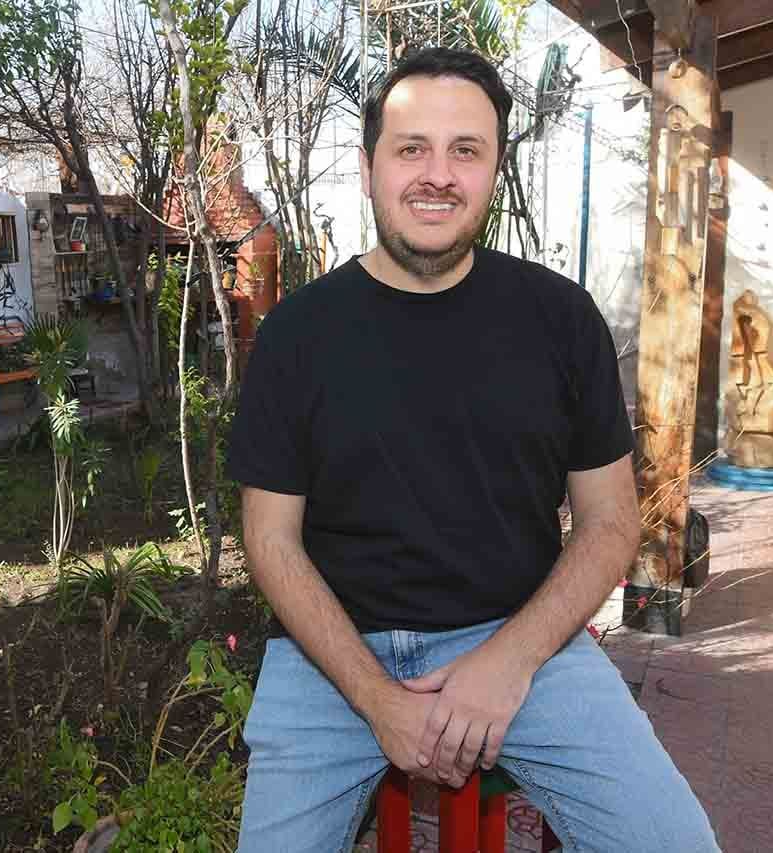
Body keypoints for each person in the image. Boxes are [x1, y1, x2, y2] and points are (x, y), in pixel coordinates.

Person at [226, 48, 720, 853]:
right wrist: (376, 699)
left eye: (466, 150)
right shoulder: (296, 335)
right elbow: (270, 539)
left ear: (494, 169)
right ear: (368, 166)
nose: (437, 174)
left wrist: (509, 661)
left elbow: (609, 524)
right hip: (331, 657)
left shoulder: (561, 320)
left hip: (521, 639)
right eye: (411, 147)